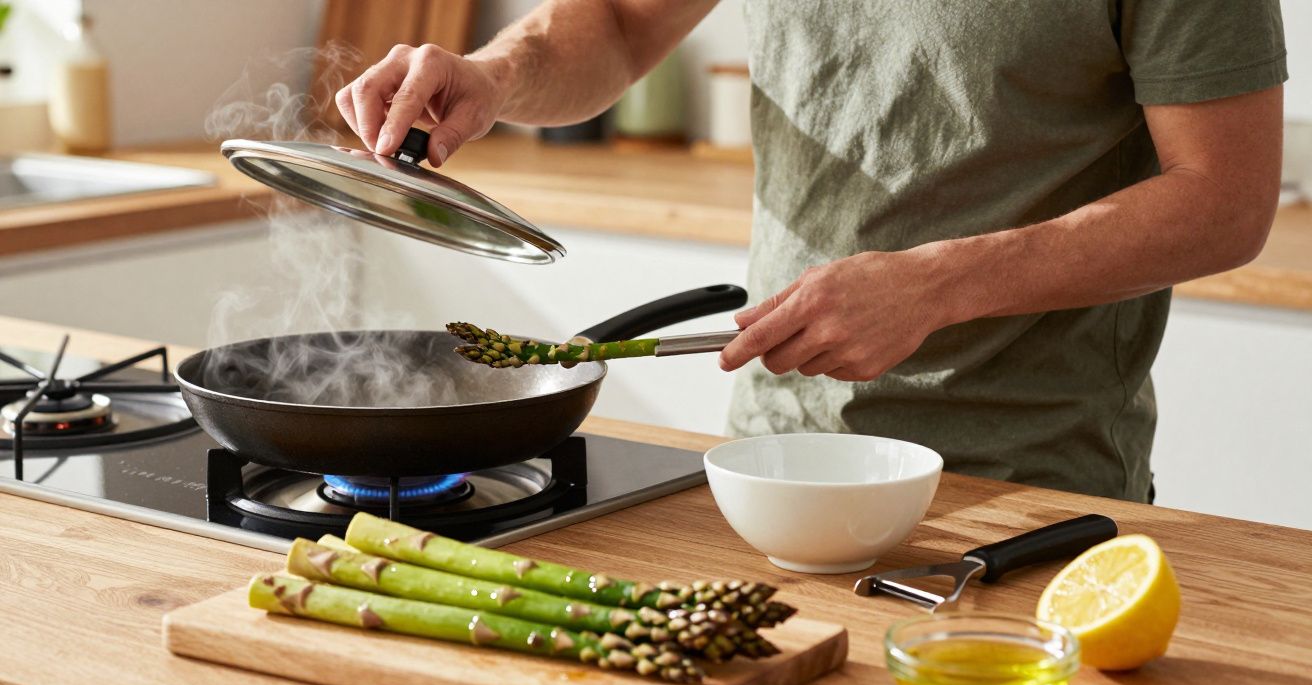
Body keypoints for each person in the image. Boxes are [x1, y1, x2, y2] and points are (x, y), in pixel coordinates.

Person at [336, 1, 1287, 502]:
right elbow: (622, 21)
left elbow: (1224, 201)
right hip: (775, 461)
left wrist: (933, 285)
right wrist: (497, 73)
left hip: (1031, 481)